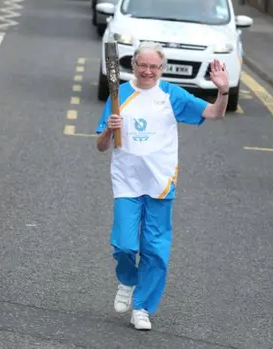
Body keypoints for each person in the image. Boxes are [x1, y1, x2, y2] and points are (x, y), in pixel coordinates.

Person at [95, 42, 229, 330]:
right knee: (124, 246)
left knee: (155, 252)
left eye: (153, 67)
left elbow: (215, 113)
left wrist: (223, 90)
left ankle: (142, 308)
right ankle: (128, 280)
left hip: (161, 183)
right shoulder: (120, 96)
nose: (147, 71)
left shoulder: (171, 95)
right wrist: (109, 128)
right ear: (134, 65)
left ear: (161, 69)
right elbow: (101, 146)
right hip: (127, 183)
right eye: (142, 65)